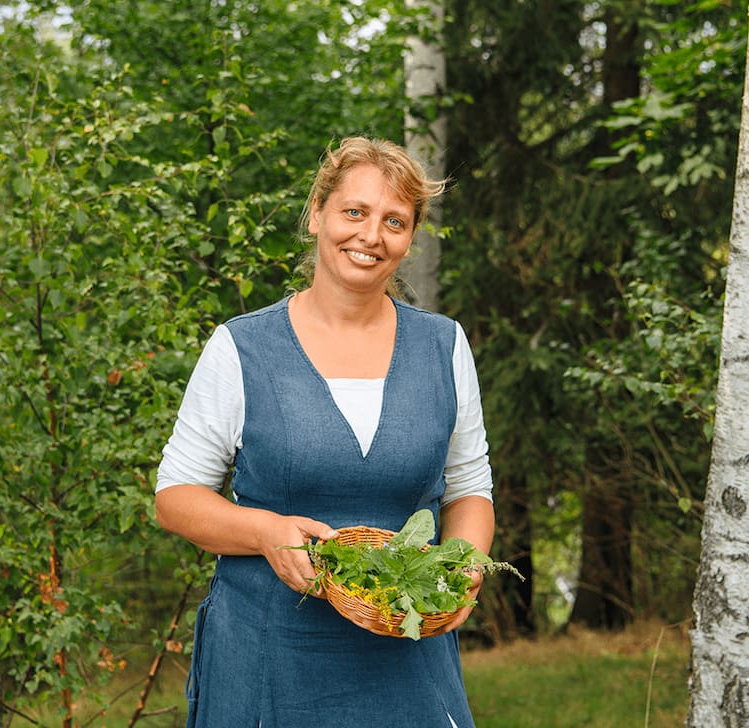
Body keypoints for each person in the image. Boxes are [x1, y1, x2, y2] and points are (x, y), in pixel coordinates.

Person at [154, 136, 495, 728]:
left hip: (407, 651)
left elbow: (469, 487)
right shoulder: (241, 348)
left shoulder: (444, 346)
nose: (371, 236)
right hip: (268, 653)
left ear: (409, 238)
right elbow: (176, 498)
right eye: (354, 212)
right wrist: (264, 531)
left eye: (395, 221)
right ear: (317, 214)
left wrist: (463, 566)